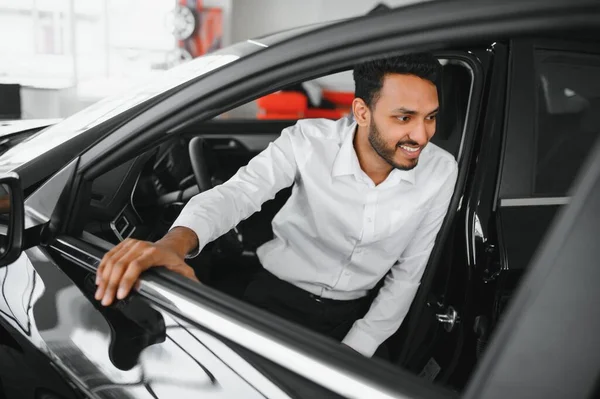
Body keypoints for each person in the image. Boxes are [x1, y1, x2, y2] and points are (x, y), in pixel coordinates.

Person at [94, 53, 458, 357]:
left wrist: (355, 352)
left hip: (360, 316)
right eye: (404, 118)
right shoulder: (307, 140)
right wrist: (171, 245)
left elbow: (408, 273)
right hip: (274, 298)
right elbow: (238, 193)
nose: (423, 135)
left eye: (431, 117)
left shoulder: (440, 170)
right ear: (361, 112)